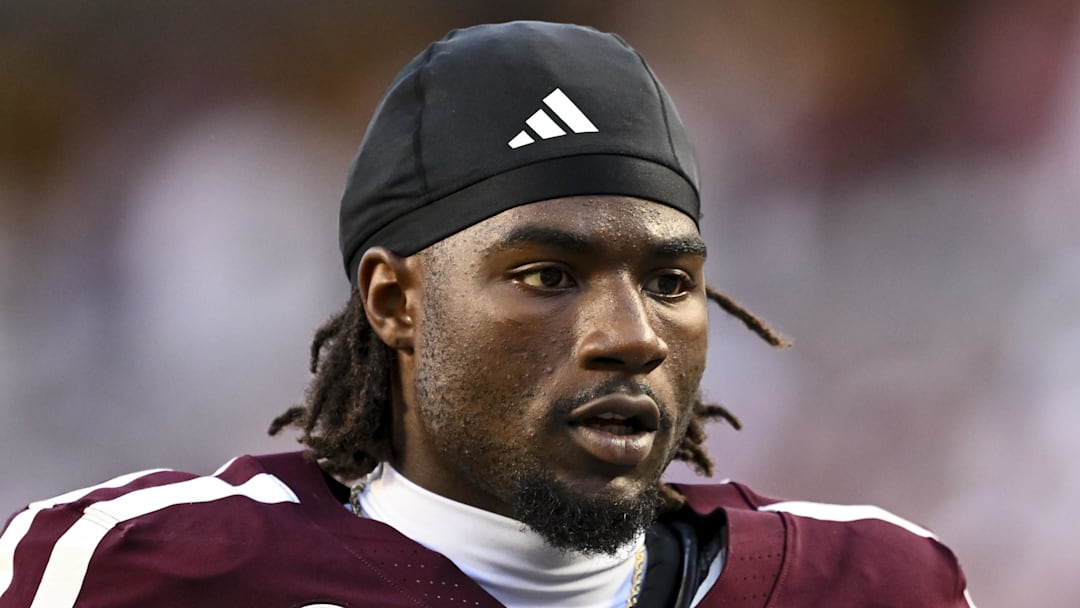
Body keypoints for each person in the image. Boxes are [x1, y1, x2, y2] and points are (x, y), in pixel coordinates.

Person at [0, 21, 974, 608]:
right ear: (395, 301)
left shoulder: (872, 582)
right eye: (549, 274)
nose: (631, 333)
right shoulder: (141, 569)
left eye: (671, 281)